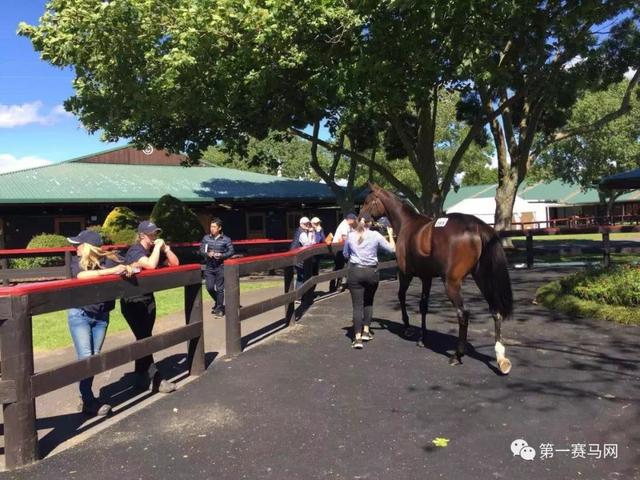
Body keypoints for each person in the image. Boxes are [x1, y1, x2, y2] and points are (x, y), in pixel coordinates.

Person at [67, 229, 133, 416]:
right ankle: (88, 399)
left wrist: (128, 268)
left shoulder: (110, 259)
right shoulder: (77, 262)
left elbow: (131, 264)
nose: (75, 248)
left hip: (102, 315)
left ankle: (86, 397)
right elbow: (81, 276)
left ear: (88, 247)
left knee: (94, 357)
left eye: (78, 245)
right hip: (80, 313)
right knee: (86, 357)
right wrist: (112, 272)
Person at [120, 220, 180, 394]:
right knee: (145, 339)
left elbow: (175, 263)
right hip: (133, 301)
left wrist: (166, 249)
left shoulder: (154, 250)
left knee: (144, 338)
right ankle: (156, 379)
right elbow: (151, 265)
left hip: (148, 300)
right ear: (142, 236)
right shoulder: (135, 251)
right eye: (152, 234)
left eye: (156, 233)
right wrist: (156, 249)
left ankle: (140, 377)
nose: (155, 237)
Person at [343, 212, 395, 349]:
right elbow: (392, 249)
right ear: (370, 223)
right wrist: (390, 234)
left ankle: (358, 337)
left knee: (357, 306)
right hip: (371, 272)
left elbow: (345, 253)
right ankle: (366, 330)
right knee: (368, 302)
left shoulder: (351, 235)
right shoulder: (376, 235)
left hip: (355, 271)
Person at [200, 217, 235, 316]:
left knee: (220, 289)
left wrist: (221, 255)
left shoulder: (226, 239)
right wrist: (207, 254)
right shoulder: (206, 238)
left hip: (221, 266)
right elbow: (201, 250)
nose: (212, 228)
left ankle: (219, 309)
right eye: (211, 226)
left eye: (214, 227)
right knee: (209, 287)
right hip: (209, 267)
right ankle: (219, 302)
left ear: (219, 228)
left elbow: (231, 251)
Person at [330, 212, 357, 292]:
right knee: (339, 267)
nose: (354, 222)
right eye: (354, 220)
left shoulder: (349, 225)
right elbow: (345, 238)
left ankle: (338, 285)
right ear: (349, 219)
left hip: (343, 249)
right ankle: (334, 285)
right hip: (338, 249)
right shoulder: (344, 225)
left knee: (342, 266)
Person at [289, 216, 316, 290]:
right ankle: (300, 295)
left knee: (300, 277)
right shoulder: (302, 233)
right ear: (301, 224)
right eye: (305, 224)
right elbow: (308, 244)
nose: (307, 225)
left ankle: (300, 295)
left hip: (296, 257)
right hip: (299, 258)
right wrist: (311, 233)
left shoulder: (299, 231)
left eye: (308, 223)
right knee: (301, 277)